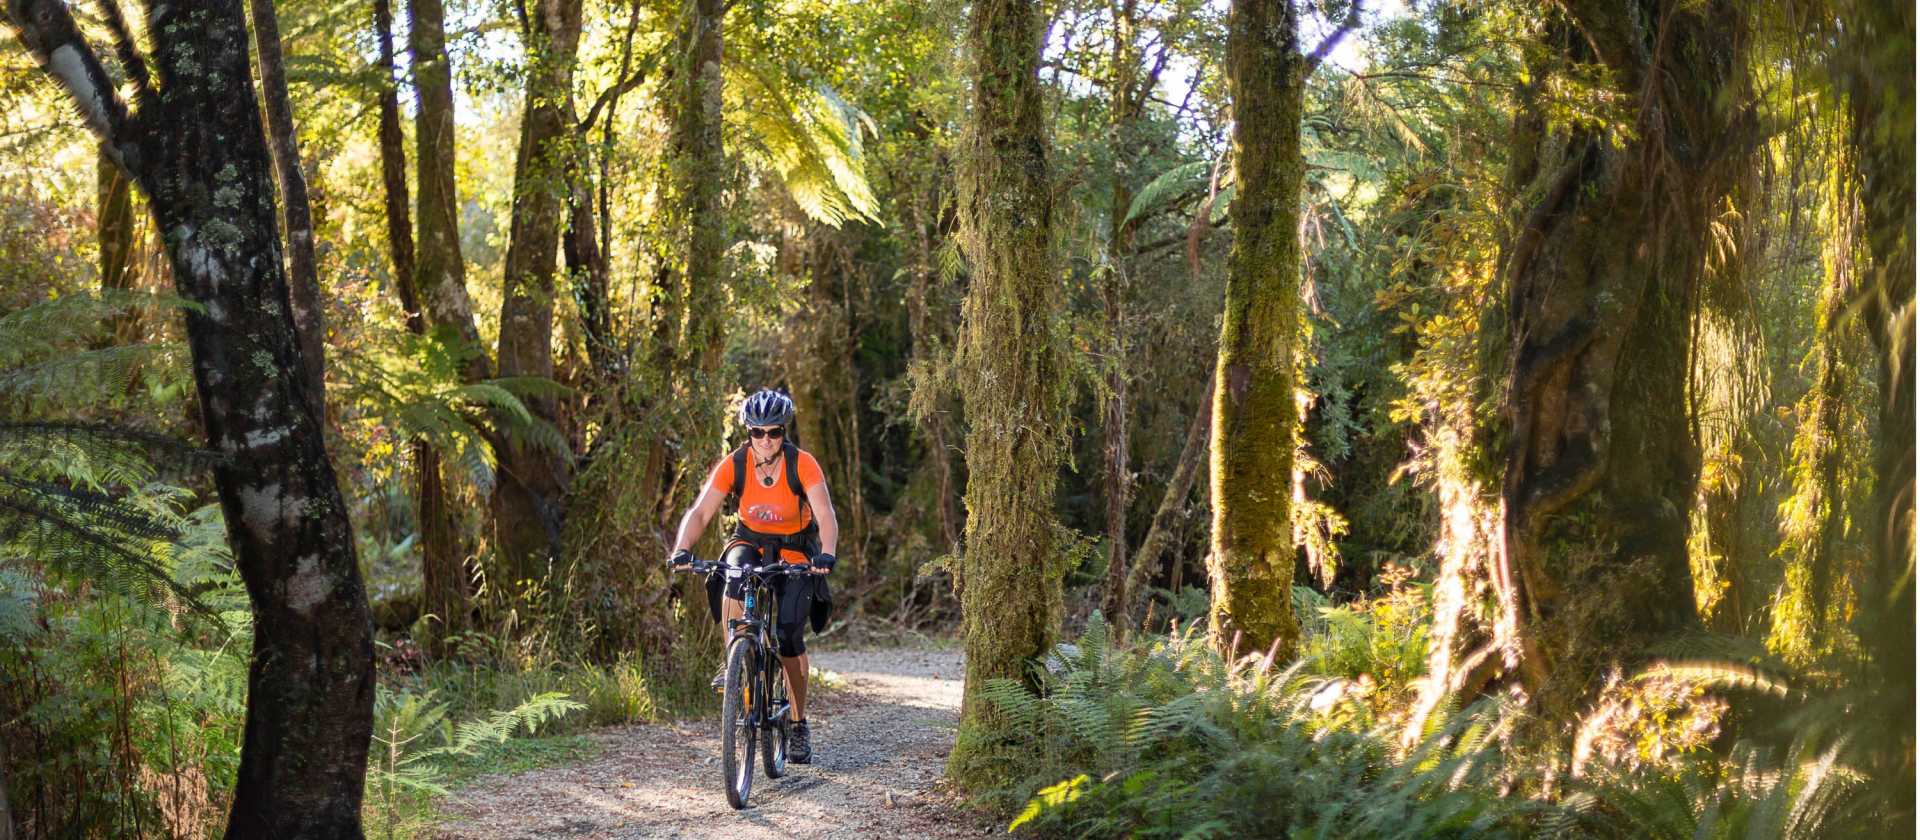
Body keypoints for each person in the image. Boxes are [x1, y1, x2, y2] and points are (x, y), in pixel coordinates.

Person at [668, 388, 838, 764]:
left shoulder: (803, 464)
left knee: (789, 635)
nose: (765, 440)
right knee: (730, 573)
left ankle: (797, 722)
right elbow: (700, 512)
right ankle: (734, 660)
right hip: (750, 541)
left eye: (773, 432)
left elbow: (825, 514)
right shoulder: (736, 463)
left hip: (794, 548)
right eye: (757, 433)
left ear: (784, 431)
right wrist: (682, 548)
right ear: (748, 432)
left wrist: (826, 554)